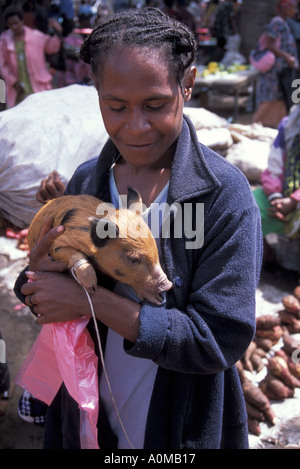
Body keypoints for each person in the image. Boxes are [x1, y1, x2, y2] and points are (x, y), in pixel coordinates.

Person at [14, 7, 262, 449]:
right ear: (97, 95)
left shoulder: (222, 197)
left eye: (155, 105)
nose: (136, 126)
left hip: (178, 421)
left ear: (187, 85)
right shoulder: (88, 183)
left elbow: (217, 341)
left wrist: (90, 300)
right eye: (116, 106)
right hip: (87, 415)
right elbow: (42, 290)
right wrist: (39, 277)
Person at [253, 104, 300, 262]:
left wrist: (294, 200)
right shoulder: (290, 124)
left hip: (295, 199)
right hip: (283, 196)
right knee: (246, 206)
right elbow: (274, 164)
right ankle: (263, 257)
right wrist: (275, 197)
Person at [0, 6, 62, 108]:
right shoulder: (4, 41)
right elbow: (2, 65)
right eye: (11, 24)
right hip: (18, 88)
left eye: (16, 23)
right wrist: (13, 81)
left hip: (37, 85)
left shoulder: (35, 36)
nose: (14, 27)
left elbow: (52, 47)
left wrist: (58, 33)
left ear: (22, 21)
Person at [253, 0, 299, 129]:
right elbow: (269, 44)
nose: (296, 11)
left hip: (280, 71)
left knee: (279, 99)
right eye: (294, 7)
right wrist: (287, 57)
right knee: (270, 98)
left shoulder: (284, 22)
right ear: (285, 7)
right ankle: (258, 126)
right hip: (273, 72)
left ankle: (274, 128)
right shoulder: (277, 22)